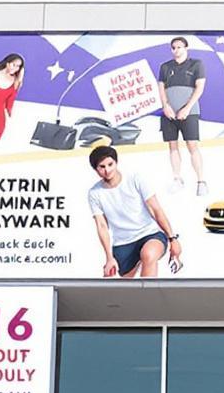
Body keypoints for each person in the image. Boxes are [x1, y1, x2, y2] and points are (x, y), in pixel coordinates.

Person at [81, 144, 186, 278]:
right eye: (102, 167)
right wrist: (109, 258)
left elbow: (156, 209)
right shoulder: (95, 193)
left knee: (148, 255)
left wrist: (172, 238)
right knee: (123, 289)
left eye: (110, 164)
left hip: (150, 235)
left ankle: (146, 297)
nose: (107, 170)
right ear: (96, 169)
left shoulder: (135, 179)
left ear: (116, 162)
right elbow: (102, 226)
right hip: (123, 244)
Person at [156, 36, 208, 196]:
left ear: (186, 48)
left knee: (192, 145)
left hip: (189, 113)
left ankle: (201, 182)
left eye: (179, 47)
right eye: (173, 47)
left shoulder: (196, 64)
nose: (176, 50)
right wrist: (166, 107)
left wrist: (186, 108)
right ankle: (177, 179)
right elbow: (161, 88)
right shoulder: (165, 67)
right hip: (169, 113)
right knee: (172, 146)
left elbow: (199, 88)